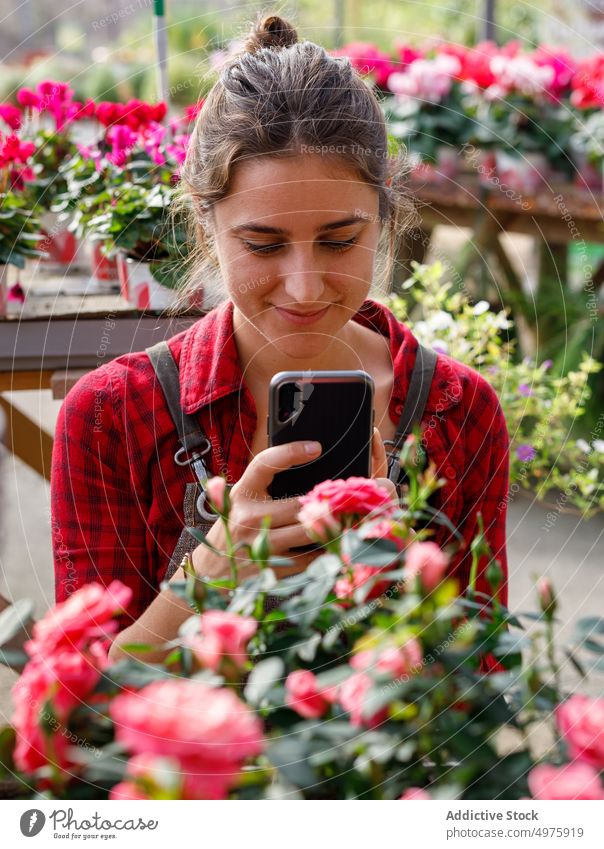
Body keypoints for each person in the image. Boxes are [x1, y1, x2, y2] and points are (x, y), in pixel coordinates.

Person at [50, 14, 510, 663]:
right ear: (207, 231)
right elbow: (77, 703)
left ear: (385, 220)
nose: (303, 287)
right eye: (263, 243)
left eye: (339, 240)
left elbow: (482, 689)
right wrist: (209, 573)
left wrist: (403, 584)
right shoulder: (111, 417)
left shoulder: (459, 413)